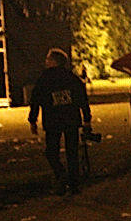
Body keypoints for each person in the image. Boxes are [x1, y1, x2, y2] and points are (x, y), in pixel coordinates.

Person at [27, 48, 93, 195]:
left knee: (51, 152)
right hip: (71, 119)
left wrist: (33, 120)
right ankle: (74, 184)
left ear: (54, 61)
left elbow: (35, 100)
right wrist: (87, 119)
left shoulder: (44, 79)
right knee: (72, 152)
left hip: (53, 121)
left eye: (48, 59)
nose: (46, 62)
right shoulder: (72, 78)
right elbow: (82, 100)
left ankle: (61, 174)